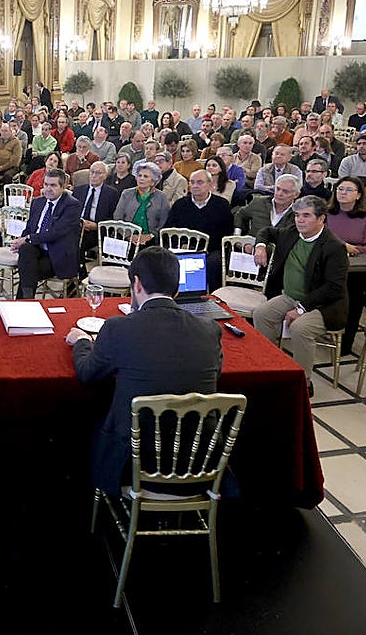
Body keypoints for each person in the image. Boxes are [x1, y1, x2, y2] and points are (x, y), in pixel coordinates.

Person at [67, 247, 222, 492]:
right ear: (177, 288)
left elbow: (87, 374)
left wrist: (83, 341)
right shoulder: (210, 330)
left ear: (136, 284)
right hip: (199, 459)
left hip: (133, 462)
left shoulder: (118, 329)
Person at [251, 196, 349, 394]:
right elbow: (266, 231)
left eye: (306, 215)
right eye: (296, 215)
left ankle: (303, 382)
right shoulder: (292, 233)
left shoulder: (333, 246)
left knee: (301, 328)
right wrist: (260, 245)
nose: (299, 220)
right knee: (261, 314)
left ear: (321, 219)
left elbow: (333, 287)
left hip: (324, 305)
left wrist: (301, 308)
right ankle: (269, 365)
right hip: (290, 296)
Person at [326, 176, 366, 357]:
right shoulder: (327, 213)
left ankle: (346, 340)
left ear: (358, 195)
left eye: (349, 190)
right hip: (327, 263)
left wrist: (347, 248)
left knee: (353, 293)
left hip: (354, 267)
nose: (343, 193)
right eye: (340, 189)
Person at [11, 168, 82, 299]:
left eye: (53, 185)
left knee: (27, 269)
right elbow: (29, 229)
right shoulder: (38, 202)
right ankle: (27, 301)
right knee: (26, 251)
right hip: (36, 251)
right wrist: (20, 240)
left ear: (63, 186)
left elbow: (55, 233)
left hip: (57, 256)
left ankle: (24, 302)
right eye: (46, 184)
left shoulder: (72, 205)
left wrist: (27, 239)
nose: (48, 189)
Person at [164, 170, 233, 290]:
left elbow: (226, 234)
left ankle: (211, 297)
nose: (195, 186)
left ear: (210, 185)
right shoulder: (180, 205)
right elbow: (169, 229)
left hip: (210, 250)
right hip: (183, 248)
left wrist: (203, 250)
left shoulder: (222, 205)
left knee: (215, 261)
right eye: (192, 182)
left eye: (200, 182)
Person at [113, 161, 171, 246]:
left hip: (151, 240)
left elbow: (164, 222)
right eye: (139, 175)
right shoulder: (126, 193)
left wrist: (150, 236)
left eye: (145, 176)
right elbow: (117, 218)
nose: (141, 178)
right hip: (127, 238)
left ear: (153, 181)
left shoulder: (162, 197)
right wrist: (128, 235)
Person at [72, 161, 121, 257]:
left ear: (105, 176)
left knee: (77, 243)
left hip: (97, 230)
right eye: (92, 172)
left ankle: (79, 270)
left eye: (98, 173)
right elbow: (71, 211)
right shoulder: (78, 190)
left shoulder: (112, 194)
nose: (94, 175)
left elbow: (113, 217)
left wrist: (96, 225)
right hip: (77, 226)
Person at [235, 173, 300, 237]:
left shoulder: (298, 213)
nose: (279, 194)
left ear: (296, 194)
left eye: (285, 191)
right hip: (252, 244)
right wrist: (237, 235)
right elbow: (240, 214)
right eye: (278, 189)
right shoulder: (259, 202)